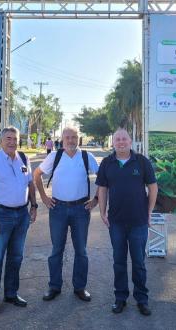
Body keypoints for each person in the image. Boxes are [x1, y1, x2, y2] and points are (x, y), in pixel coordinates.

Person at [96, 128, 158, 316]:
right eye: (117, 139)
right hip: (116, 222)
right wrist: (102, 211)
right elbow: (103, 189)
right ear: (113, 143)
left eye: (124, 139)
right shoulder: (107, 163)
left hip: (139, 222)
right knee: (119, 261)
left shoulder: (141, 162)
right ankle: (120, 298)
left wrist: (149, 212)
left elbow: (153, 187)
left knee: (139, 262)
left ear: (130, 142)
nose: (121, 142)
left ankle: (142, 299)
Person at [0, 126, 38, 316]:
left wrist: (34, 206)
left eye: (15, 139)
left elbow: (30, 183)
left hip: (21, 216)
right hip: (1, 215)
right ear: (1, 141)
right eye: (8, 138)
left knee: (16, 257)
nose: (12, 142)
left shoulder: (24, 159)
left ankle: (11, 294)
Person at [34, 127, 99, 302]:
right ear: (62, 139)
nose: (71, 140)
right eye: (67, 137)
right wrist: (44, 198)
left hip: (81, 210)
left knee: (81, 251)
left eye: (74, 137)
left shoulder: (87, 157)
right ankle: (54, 286)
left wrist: (96, 200)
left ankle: (80, 288)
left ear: (79, 138)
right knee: (56, 250)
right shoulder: (54, 156)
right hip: (58, 210)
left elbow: (103, 179)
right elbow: (37, 174)